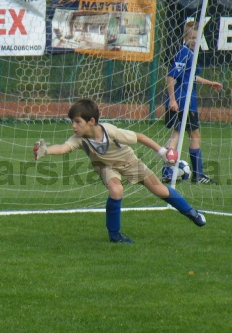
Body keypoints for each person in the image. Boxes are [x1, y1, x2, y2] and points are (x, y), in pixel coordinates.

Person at [33, 99, 206, 244]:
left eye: (77, 122)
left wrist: (162, 152)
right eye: (72, 122)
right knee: (116, 190)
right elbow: (63, 148)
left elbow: (139, 137)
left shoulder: (109, 130)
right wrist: (46, 151)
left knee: (160, 190)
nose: (73, 126)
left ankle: (191, 212)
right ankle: (115, 235)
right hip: (105, 167)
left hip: (129, 162)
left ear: (91, 121)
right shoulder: (78, 139)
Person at [163, 20, 223, 184]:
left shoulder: (190, 53)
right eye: (191, 37)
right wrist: (173, 100)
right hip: (183, 102)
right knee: (190, 135)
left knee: (178, 134)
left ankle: (170, 171)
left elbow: (191, 77)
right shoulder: (184, 52)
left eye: (197, 38)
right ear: (185, 37)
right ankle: (196, 174)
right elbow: (170, 76)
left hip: (187, 101)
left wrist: (211, 83)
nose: (194, 41)